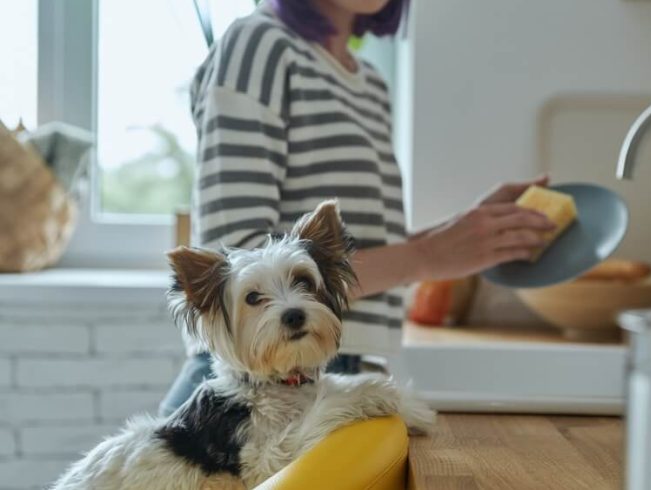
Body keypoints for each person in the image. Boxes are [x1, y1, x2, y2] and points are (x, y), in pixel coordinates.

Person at [159, 0, 554, 416]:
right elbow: (235, 260)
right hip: (256, 390)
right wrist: (427, 256)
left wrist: (461, 236)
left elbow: (338, 257)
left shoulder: (369, 84)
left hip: (330, 376)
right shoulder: (258, 46)